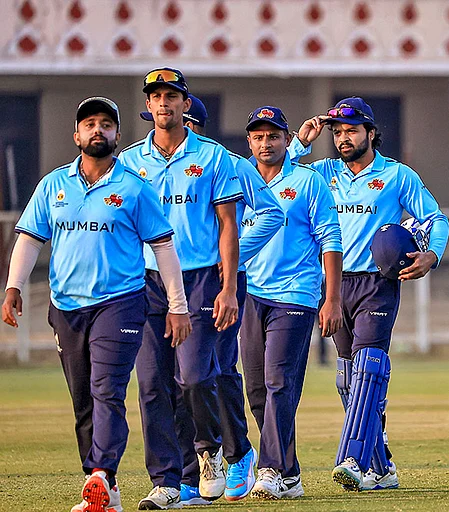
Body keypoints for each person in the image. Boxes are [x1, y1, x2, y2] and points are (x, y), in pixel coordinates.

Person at [2, 97, 191, 512]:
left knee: (107, 391)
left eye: (106, 124)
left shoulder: (134, 187)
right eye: (89, 124)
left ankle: (100, 473)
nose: (98, 130)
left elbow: (163, 247)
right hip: (66, 307)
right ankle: (107, 489)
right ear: (76, 135)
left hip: (120, 304)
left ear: (117, 135)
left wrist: (177, 306)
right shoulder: (53, 185)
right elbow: (31, 238)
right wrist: (14, 286)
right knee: (83, 397)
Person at [293, 96, 449, 491]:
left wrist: (431, 254)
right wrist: (300, 142)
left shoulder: (397, 176)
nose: (343, 138)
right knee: (347, 378)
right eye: (338, 132)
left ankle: (354, 457)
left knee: (369, 367)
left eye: (351, 130)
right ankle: (382, 465)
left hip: (378, 283)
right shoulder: (321, 171)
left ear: (371, 132)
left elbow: (435, 217)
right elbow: (276, 179)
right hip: (334, 282)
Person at [140, 95, 285, 504]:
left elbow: (272, 214)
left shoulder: (227, 162)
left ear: (194, 123)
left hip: (214, 282)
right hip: (162, 282)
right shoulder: (146, 162)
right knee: (176, 379)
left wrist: (232, 264)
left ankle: (235, 453)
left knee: (208, 372)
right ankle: (189, 472)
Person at [118, 68, 243, 509]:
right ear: (149, 106)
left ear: (186, 104)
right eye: (156, 97)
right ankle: (168, 480)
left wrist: (229, 288)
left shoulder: (214, 157)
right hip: (148, 282)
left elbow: (229, 227)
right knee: (152, 383)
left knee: (192, 375)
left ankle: (208, 450)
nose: (165, 103)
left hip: (201, 278)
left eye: (173, 96)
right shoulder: (130, 163)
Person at [238, 105, 343, 500]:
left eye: (274, 136)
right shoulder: (236, 177)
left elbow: (330, 239)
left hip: (296, 293)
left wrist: (331, 298)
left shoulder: (308, 180)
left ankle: (268, 471)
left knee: (279, 381)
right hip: (250, 293)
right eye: (259, 137)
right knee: (257, 390)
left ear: (286, 140)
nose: (266, 144)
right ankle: (290, 472)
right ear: (249, 141)